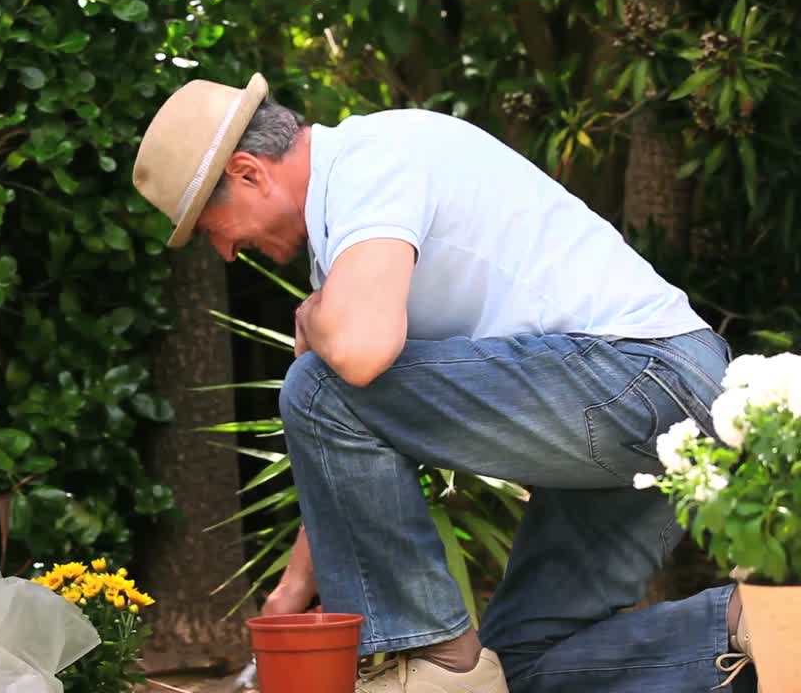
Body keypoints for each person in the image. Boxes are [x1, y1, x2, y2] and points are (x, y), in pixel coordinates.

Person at [131, 74, 755, 692]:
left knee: (319, 383)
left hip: (644, 377)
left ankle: (426, 660)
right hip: (653, 412)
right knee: (525, 665)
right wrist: (293, 591)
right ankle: (745, 625)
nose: (226, 253)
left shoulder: (370, 162)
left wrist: (314, 319)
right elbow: (346, 458)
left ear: (248, 172)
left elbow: (354, 357)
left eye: (212, 227)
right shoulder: (350, 231)